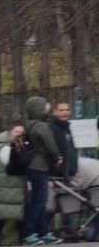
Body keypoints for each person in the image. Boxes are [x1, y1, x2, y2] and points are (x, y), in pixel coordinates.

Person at [22, 96, 63, 245]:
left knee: (39, 200)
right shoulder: (41, 126)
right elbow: (49, 144)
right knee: (39, 201)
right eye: (45, 106)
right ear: (39, 109)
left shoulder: (29, 124)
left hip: (32, 166)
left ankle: (43, 232)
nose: (48, 108)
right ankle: (29, 233)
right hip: (40, 166)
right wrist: (57, 157)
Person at [0, 120, 27, 246]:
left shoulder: (13, 146)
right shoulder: (6, 147)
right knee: (1, 216)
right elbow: (13, 164)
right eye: (16, 132)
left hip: (10, 187)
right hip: (4, 186)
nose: (19, 135)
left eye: (21, 132)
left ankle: (16, 240)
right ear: (10, 132)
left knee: (9, 215)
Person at [48, 101, 79, 239]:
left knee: (66, 205)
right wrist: (49, 176)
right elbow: (49, 152)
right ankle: (46, 231)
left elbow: (71, 150)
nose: (65, 112)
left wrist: (74, 170)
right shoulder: (53, 128)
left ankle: (67, 232)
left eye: (67, 109)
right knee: (54, 206)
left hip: (67, 174)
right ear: (55, 112)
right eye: (61, 110)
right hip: (57, 175)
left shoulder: (66, 128)